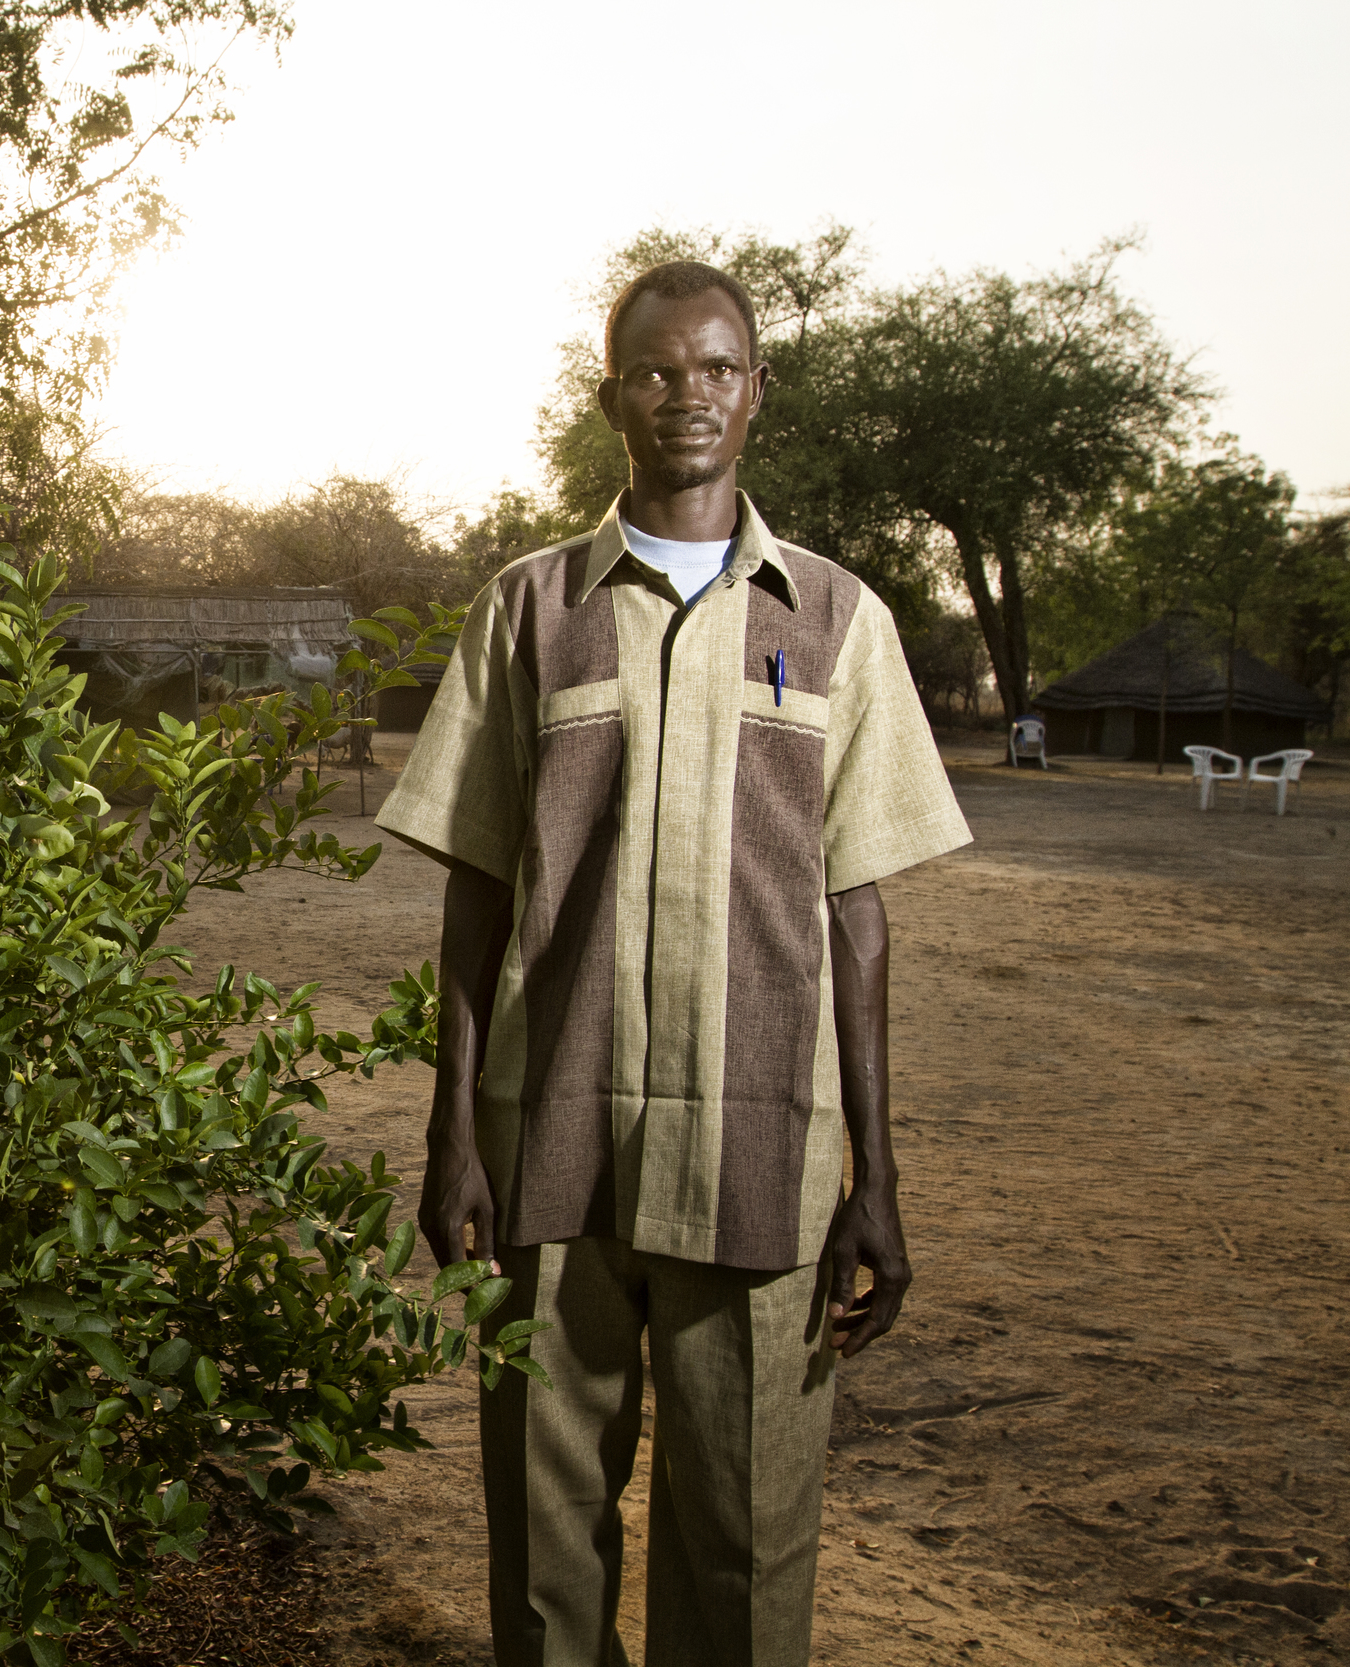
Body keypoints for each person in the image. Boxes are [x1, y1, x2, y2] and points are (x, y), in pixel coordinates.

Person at [374, 261, 970, 1666]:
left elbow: (857, 915)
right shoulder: (529, 610)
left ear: (757, 392)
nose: (686, 396)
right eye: (655, 371)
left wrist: (874, 1178)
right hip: (553, 1151)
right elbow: (476, 894)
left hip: (761, 1155)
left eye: (715, 369)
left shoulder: (837, 622)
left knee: (748, 1546)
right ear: (610, 400)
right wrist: (452, 1132)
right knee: (544, 1537)